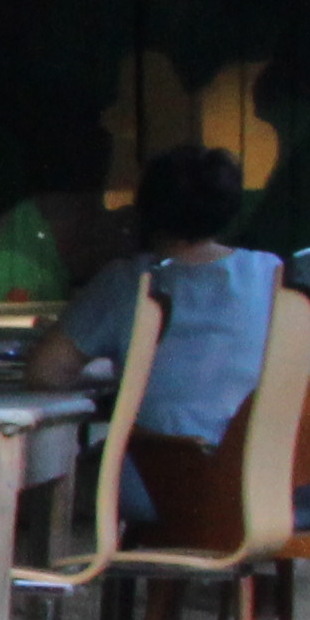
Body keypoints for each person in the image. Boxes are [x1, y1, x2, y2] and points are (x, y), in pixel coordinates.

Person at [33, 143, 278, 547]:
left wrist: (113, 376)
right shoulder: (272, 273)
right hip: (265, 483)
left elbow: (46, 372)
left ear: (146, 208)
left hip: (155, 485)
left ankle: (47, 569)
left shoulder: (126, 281)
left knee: (71, 470)